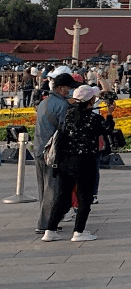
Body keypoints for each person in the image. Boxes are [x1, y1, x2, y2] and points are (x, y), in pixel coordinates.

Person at [42, 84, 114, 243]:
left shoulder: (68, 114)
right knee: (84, 197)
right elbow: (107, 129)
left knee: (63, 196)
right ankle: (79, 231)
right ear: (91, 100)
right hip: (85, 162)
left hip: (65, 161)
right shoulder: (92, 118)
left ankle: (50, 230)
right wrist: (109, 113)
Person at [33, 72, 74, 234]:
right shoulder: (62, 105)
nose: (69, 91)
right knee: (52, 188)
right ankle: (45, 224)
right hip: (52, 152)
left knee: (42, 187)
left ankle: (47, 219)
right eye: (67, 88)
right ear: (58, 88)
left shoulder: (44, 103)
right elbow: (65, 130)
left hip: (39, 148)